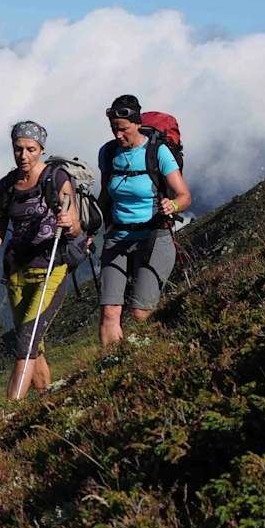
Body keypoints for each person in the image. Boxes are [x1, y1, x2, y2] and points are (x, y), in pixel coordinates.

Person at [0, 121, 80, 400]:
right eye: (18, 148)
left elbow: (76, 226)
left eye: (30, 149)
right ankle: (46, 402)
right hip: (17, 275)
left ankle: (9, 412)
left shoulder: (57, 178)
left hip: (51, 269)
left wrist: (68, 222)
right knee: (34, 345)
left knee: (25, 344)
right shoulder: (7, 185)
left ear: (41, 149)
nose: (23, 155)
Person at [96, 95, 192, 347]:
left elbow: (184, 196)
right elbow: (105, 195)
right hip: (117, 238)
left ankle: (159, 353)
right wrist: (89, 227)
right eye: (114, 129)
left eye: (123, 129)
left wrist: (172, 205)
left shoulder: (157, 152)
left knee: (140, 313)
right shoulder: (108, 153)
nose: (118, 135)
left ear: (137, 123)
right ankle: (111, 365)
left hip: (154, 237)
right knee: (109, 312)